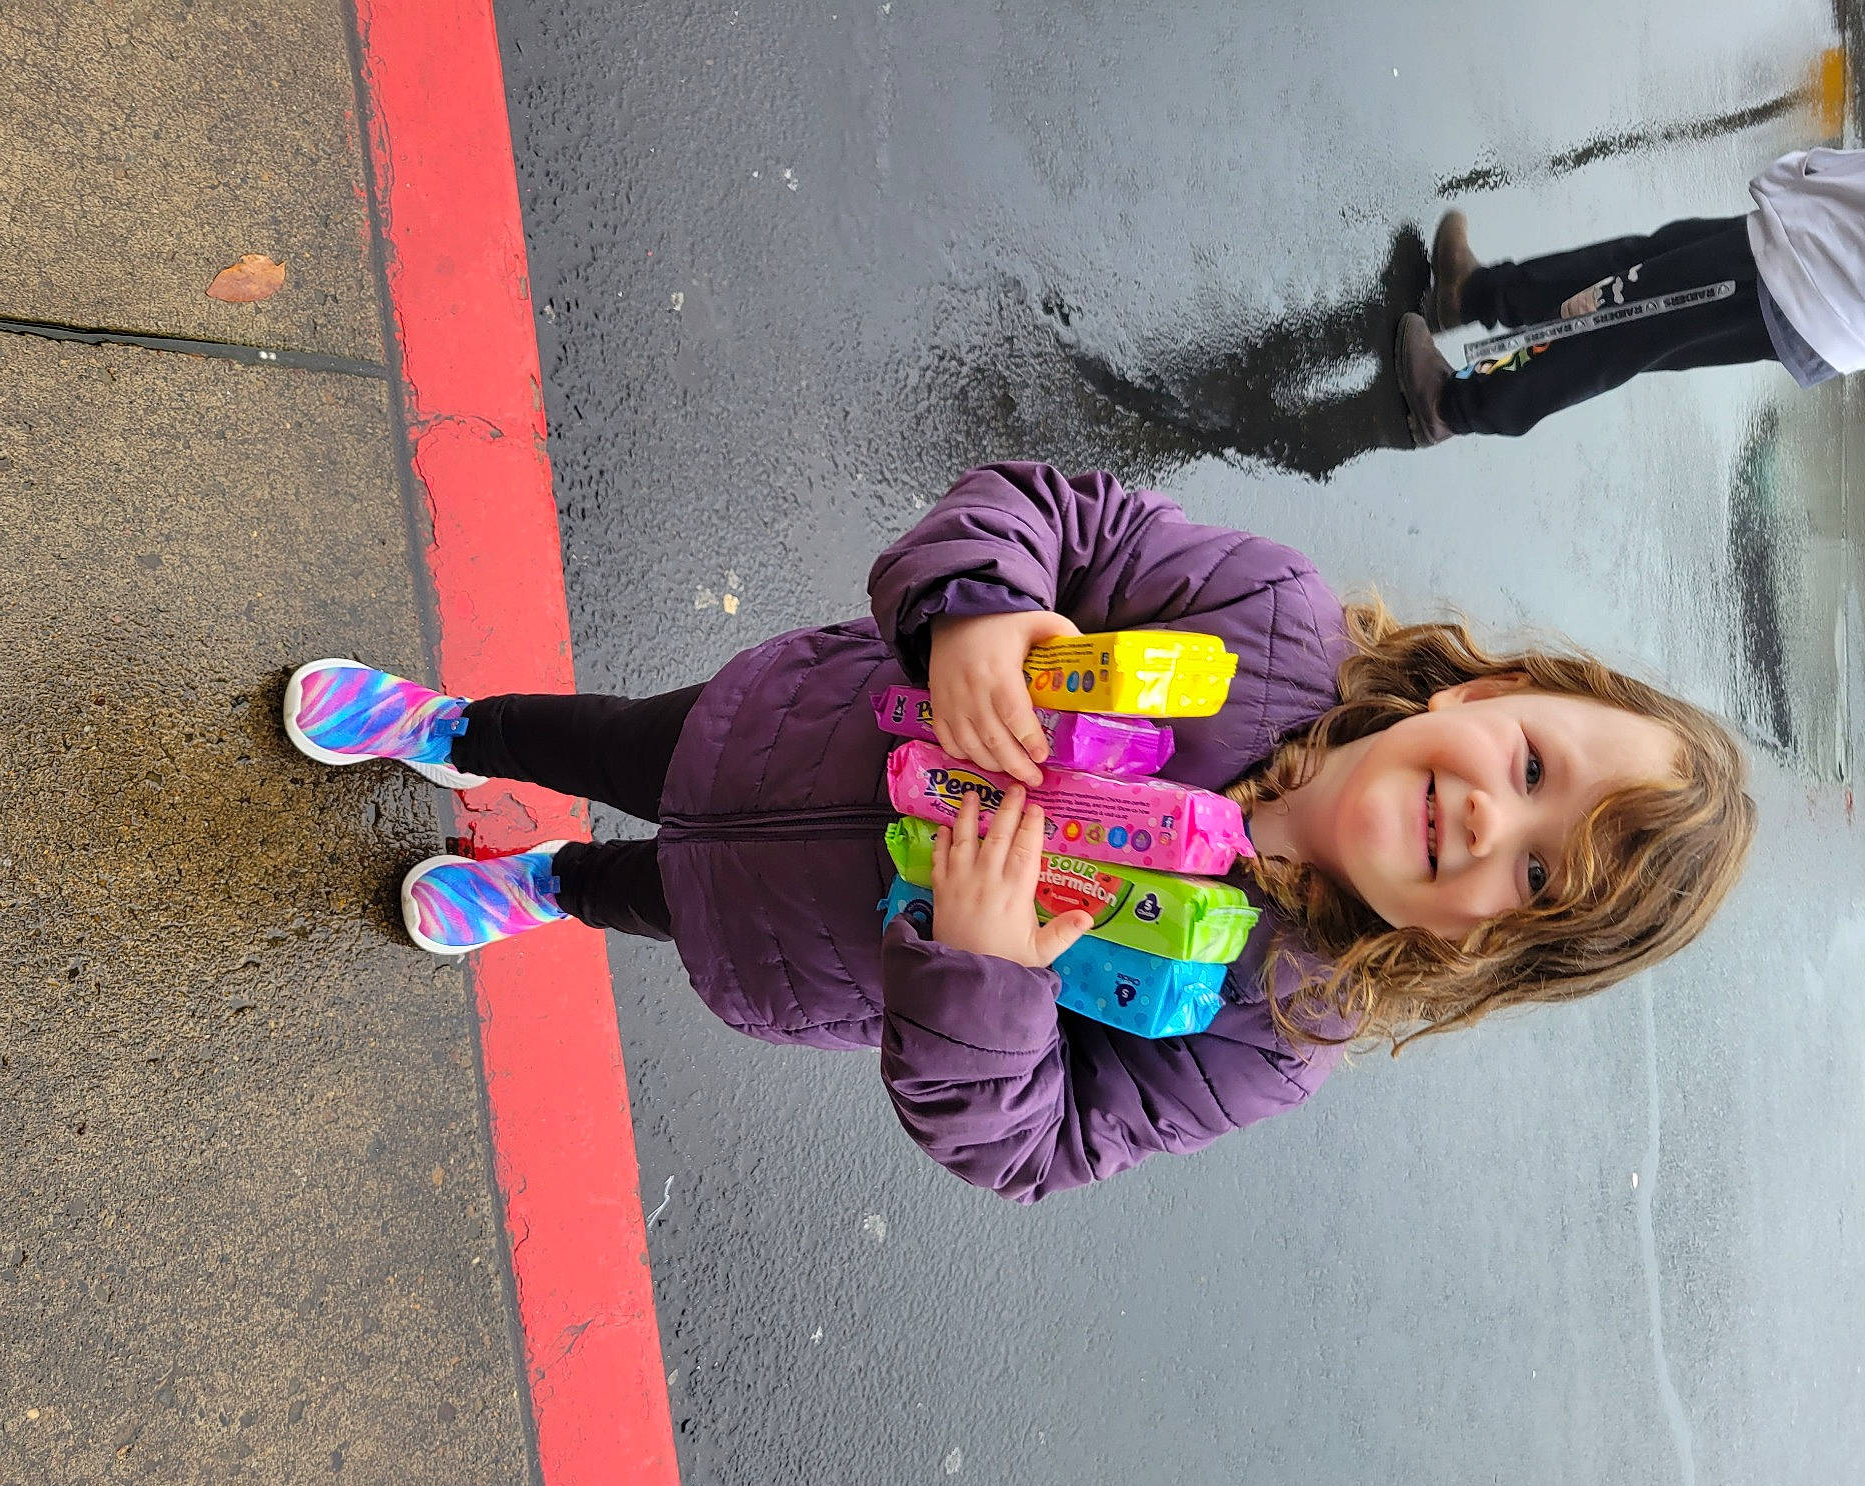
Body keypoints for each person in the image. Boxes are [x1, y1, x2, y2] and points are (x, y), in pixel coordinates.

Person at [284, 463, 1756, 1201]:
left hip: (805, 942)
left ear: (1480, 949)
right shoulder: (1272, 623)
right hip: (784, 729)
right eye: (1535, 762)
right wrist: (985, 604)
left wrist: (986, 978)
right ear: (1496, 690)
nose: (1493, 815)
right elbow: (1056, 513)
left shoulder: (1259, 1035)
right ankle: (455, 731)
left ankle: (544, 881)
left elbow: (1036, 1145)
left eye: (1539, 873)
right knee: (603, 739)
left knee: (649, 895)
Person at [1396, 147, 1865, 445]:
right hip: (1817, 239)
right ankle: (1474, 295)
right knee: (1628, 274)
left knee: (1611, 329)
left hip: (1819, 278)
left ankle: (1454, 405)